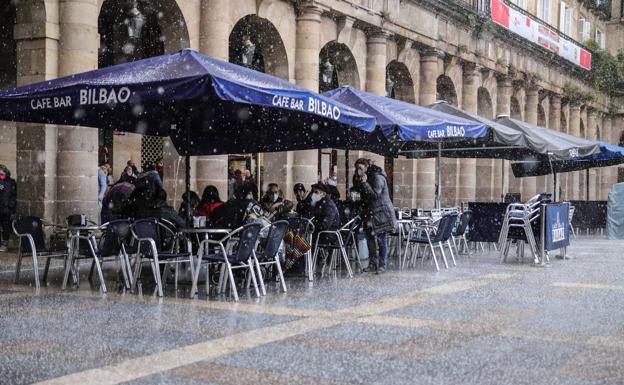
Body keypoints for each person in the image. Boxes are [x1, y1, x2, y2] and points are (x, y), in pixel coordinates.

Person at [352, 158, 397, 274]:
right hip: (369, 213)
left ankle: (382, 265)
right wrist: (357, 181)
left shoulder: (378, 177)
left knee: (381, 240)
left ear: (367, 167)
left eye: (361, 168)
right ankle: (372, 264)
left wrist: (365, 183)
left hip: (380, 213)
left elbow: (375, 195)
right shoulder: (363, 177)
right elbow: (360, 192)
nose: (359, 170)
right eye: (357, 168)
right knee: (370, 239)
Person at [0, 165, 17, 252]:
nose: (1, 176)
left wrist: (11, 206)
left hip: (6, 209)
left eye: (2, 174)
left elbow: (14, 196)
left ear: (6, 173)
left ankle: (5, 244)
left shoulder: (11, 182)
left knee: (6, 227)